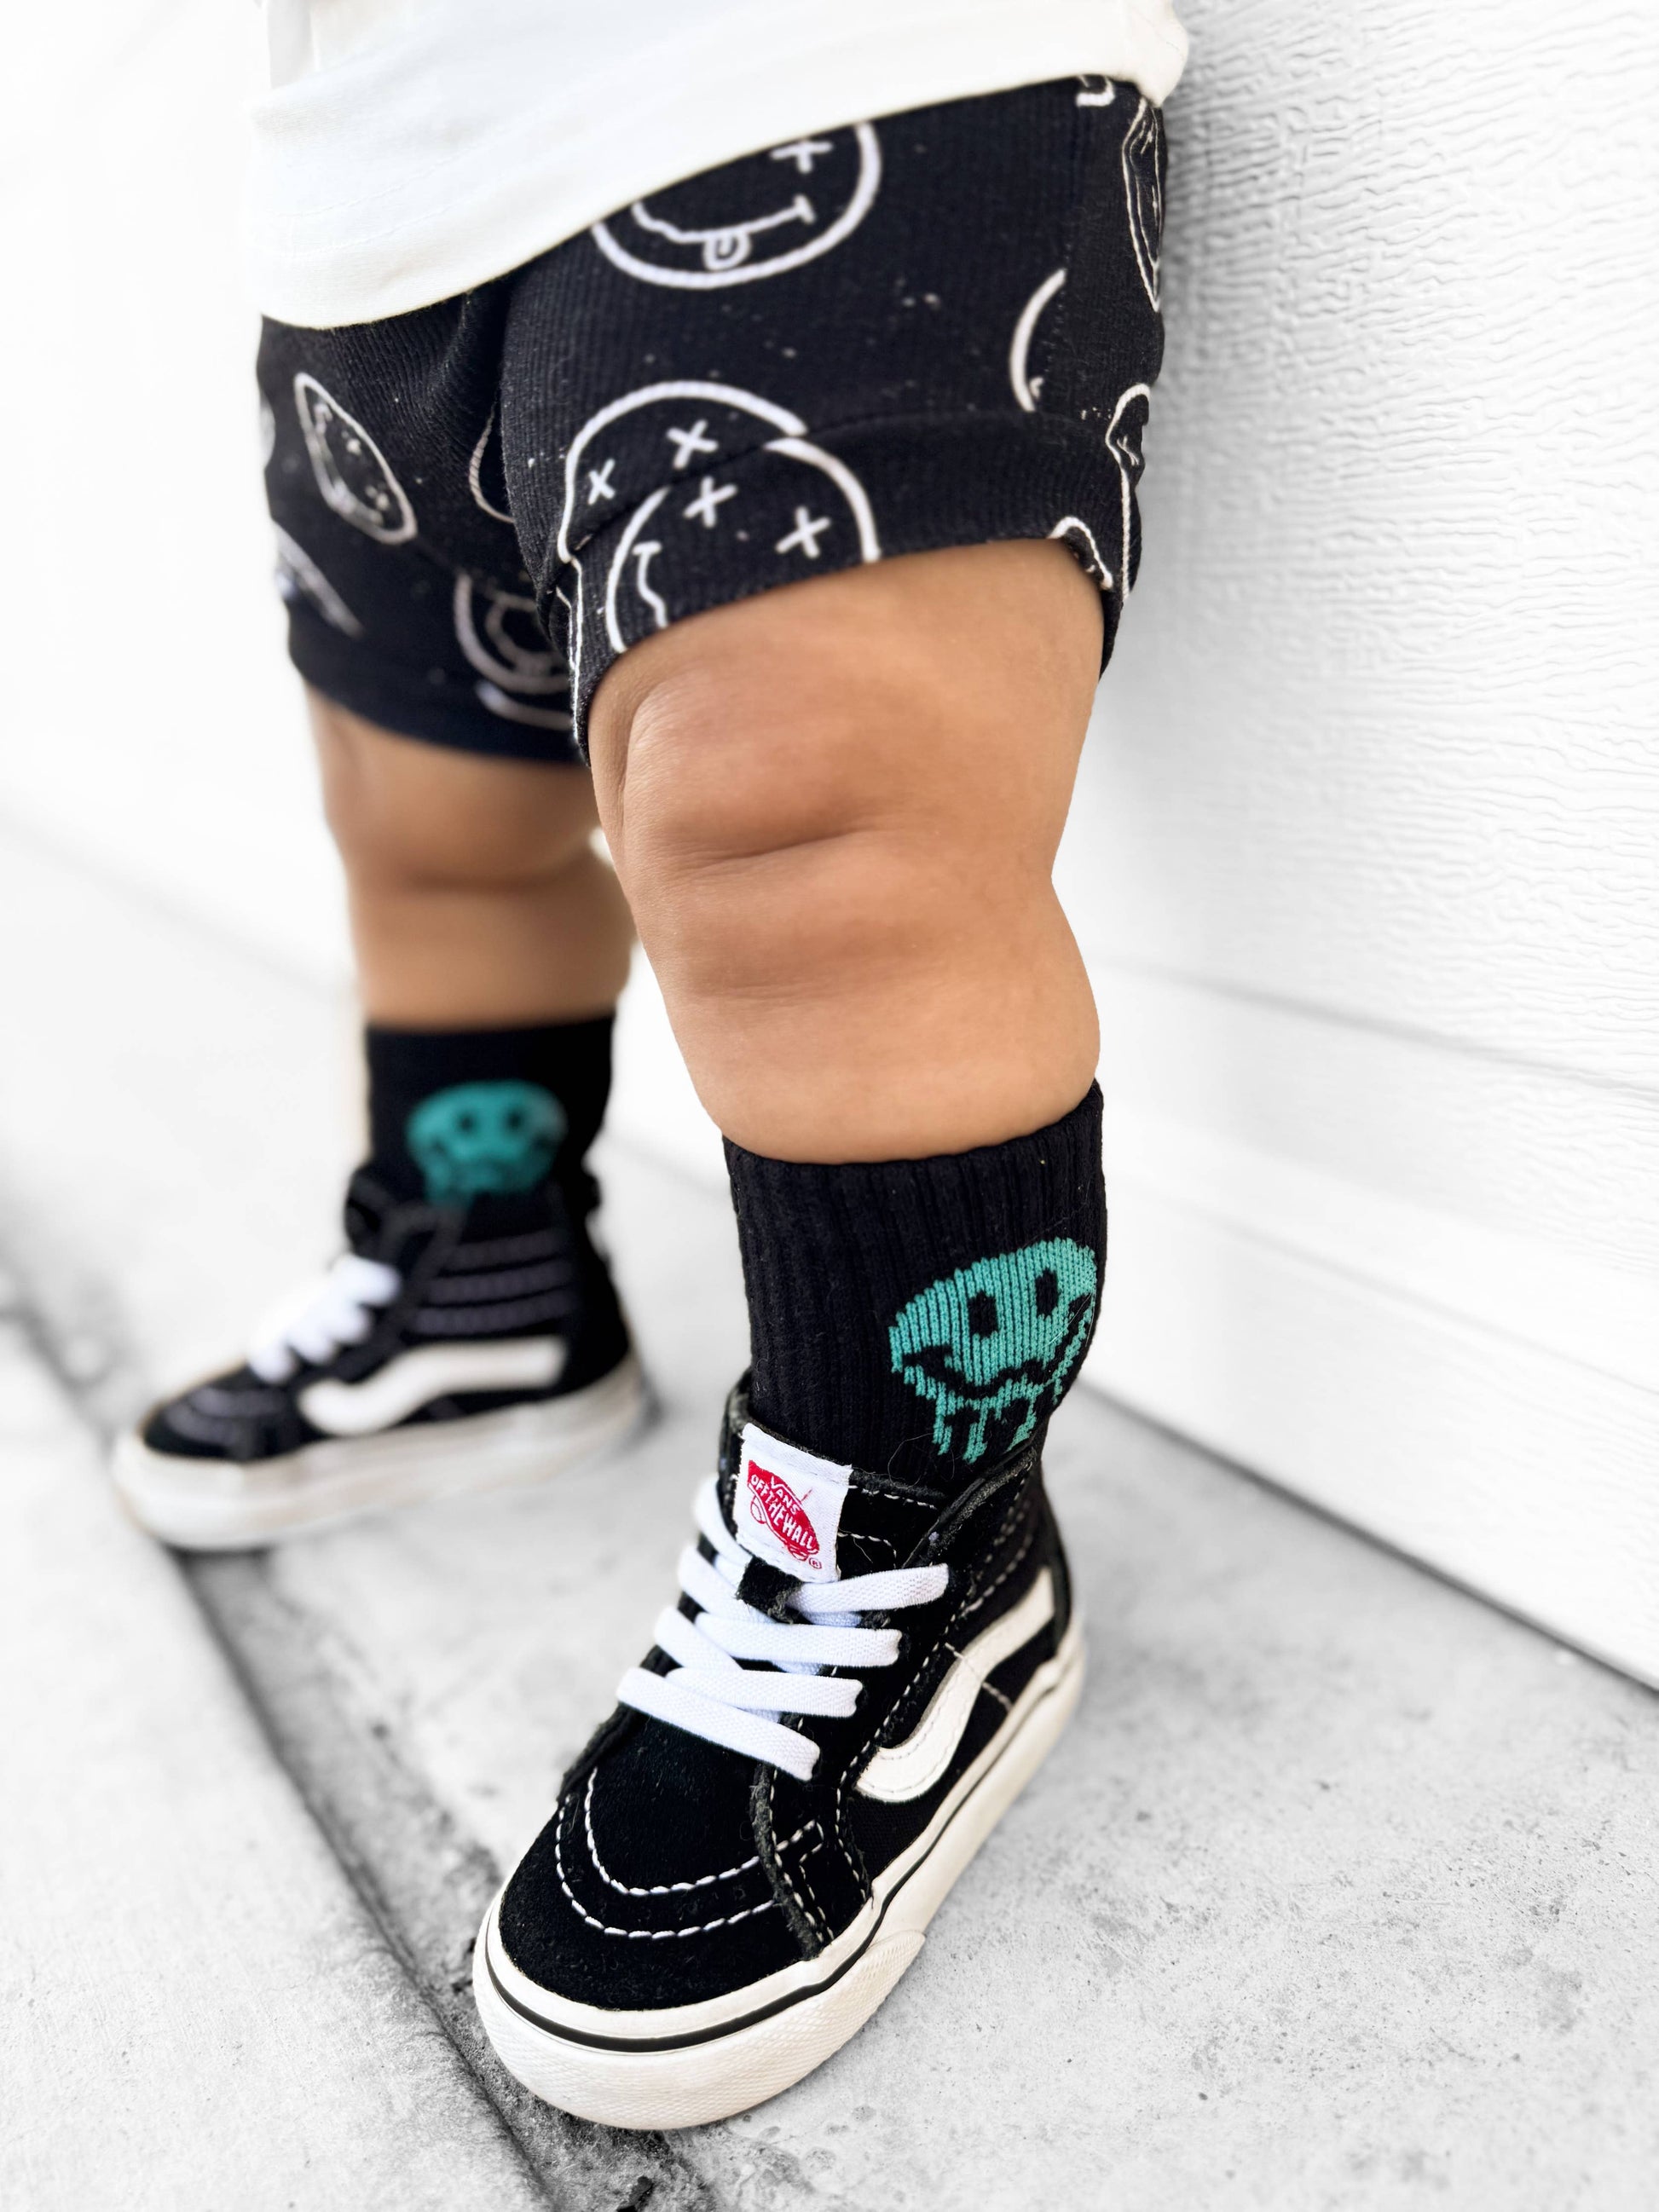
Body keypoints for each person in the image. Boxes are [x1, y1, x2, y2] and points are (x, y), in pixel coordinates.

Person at [116, 0, 1185, 2129]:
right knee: (438, 835)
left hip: (804, 74)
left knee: (808, 837)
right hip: (371, 182)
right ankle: (486, 1284)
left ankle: (915, 1531)